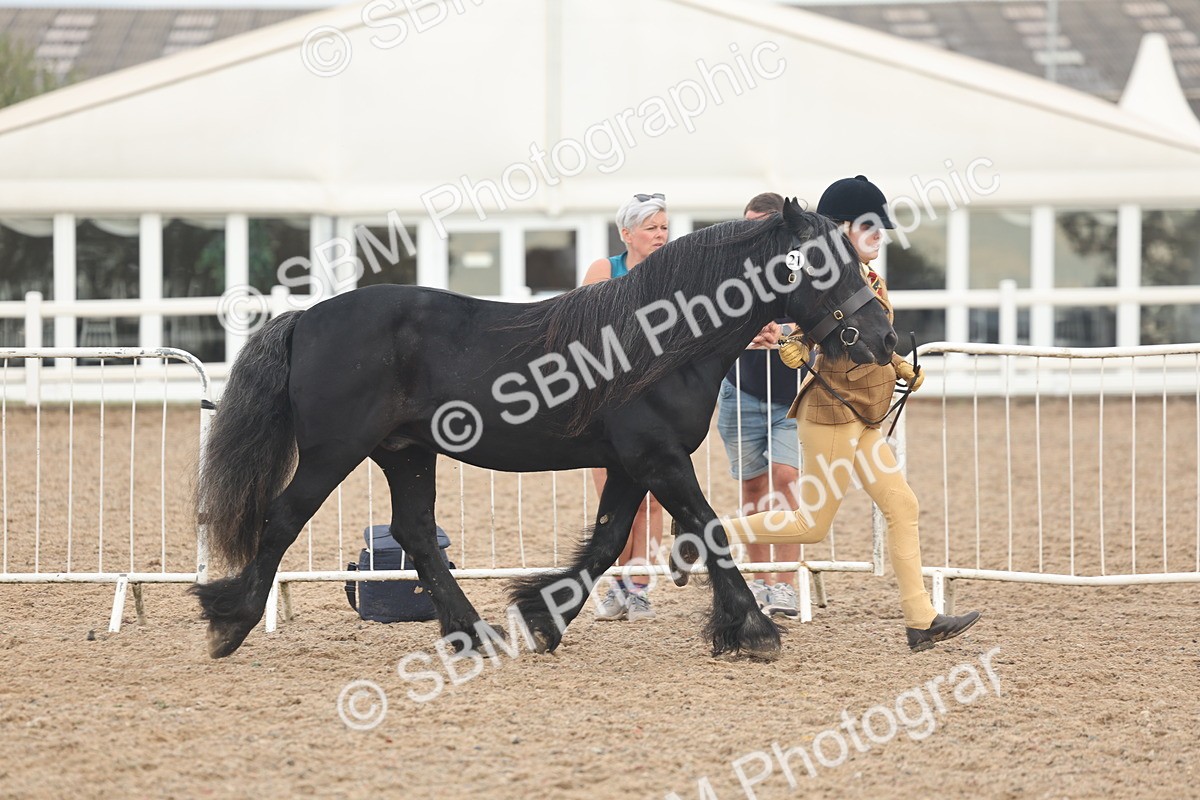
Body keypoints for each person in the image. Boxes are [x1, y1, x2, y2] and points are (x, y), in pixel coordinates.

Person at [723, 176, 982, 651]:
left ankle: (921, 620)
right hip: (831, 416)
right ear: (841, 230)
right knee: (812, 525)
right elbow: (806, 327)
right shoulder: (827, 280)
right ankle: (705, 536)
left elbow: (870, 339)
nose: (880, 235)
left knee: (902, 505)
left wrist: (901, 366)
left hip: (862, 416)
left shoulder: (869, 279)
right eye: (868, 226)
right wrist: (793, 343)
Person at [582, 192, 669, 622]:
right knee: (614, 502)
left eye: (664, 227)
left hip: (655, 397)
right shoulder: (604, 269)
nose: (660, 234)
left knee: (652, 499)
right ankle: (620, 584)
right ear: (627, 234)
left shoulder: (674, 272)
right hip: (606, 400)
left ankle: (638, 588)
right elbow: (580, 326)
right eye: (651, 227)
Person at [717, 192, 802, 618]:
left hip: (793, 397)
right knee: (752, 487)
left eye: (760, 224)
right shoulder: (733, 270)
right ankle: (758, 578)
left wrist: (781, 332)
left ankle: (785, 584)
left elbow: (819, 316)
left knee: (786, 480)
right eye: (747, 224)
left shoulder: (804, 267)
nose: (752, 233)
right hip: (741, 390)